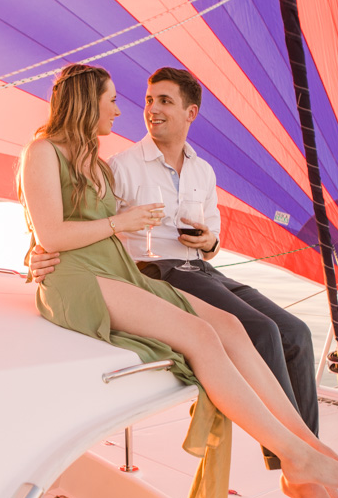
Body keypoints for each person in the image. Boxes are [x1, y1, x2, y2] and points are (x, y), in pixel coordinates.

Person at [18, 63, 338, 498]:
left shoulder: (98, 162)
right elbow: (50, 232)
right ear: (86, 101)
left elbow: (55, 227)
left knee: (228, 326)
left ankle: (306, 449)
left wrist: (199, 242)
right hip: (79, 280)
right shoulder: (43, 152)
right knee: (202, 335)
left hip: (124, 270)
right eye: (113, 100)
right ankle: (295, 456)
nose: (123, 109)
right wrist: (99, 232)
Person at [30, 67, 319, 470]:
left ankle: (310, 448)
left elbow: (213, 235)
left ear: (190, 112)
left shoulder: (202, 171)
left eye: (164, 101)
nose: (147, 109)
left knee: (296, 333)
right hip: (155, 269)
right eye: (148, 100)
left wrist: (210, 242)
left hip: (199, 267)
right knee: (261, 331)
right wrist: (37, 253)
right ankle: (287, 458)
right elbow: (67, 220)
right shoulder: (121, 165)